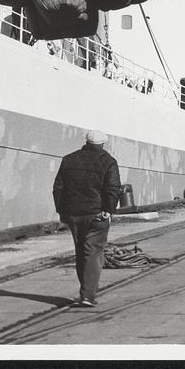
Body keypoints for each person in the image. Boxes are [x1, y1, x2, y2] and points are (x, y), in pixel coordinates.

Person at [53, 129, 121, 307]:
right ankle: (87, 295)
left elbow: (58, 188)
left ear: (86, 142)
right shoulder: (109, 162)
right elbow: (113, 188)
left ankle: (85, 291)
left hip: (74, 214)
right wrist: (108, 209)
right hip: (96, 215)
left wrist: (61, 212)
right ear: (103, 143)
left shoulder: (69, 159)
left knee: (80, 252)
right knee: (92, 253)